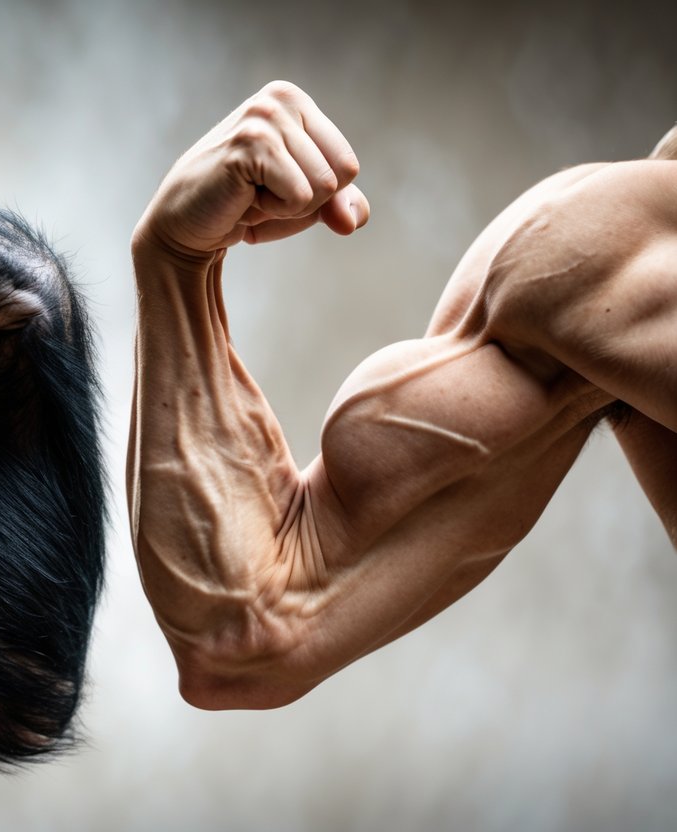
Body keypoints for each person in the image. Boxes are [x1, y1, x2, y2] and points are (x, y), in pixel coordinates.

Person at [127, 80, 677, 710]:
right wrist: (172, 260)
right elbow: (247, 634)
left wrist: (173, 260)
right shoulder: (606, 253)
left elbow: (248, 637)